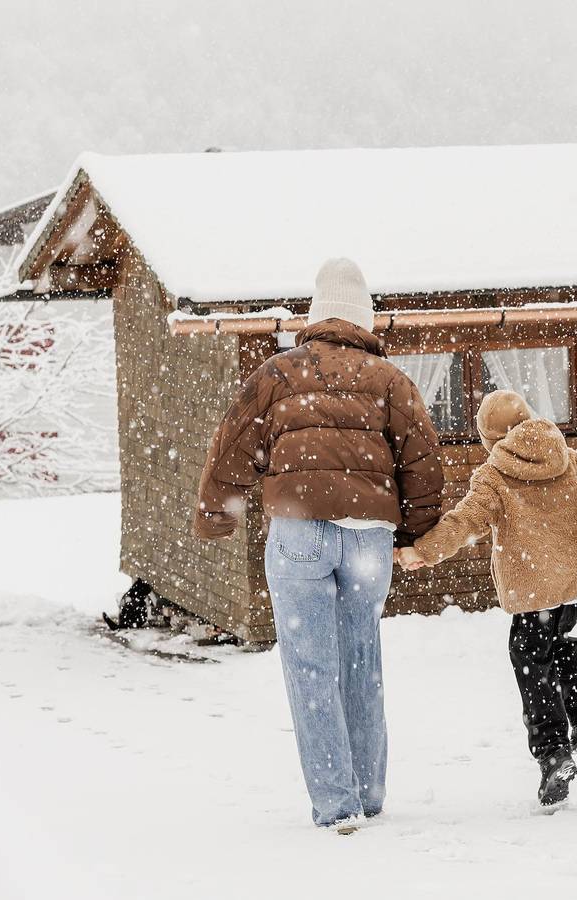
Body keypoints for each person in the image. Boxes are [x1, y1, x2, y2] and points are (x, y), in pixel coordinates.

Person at [193, 257, 443, 834]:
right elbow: (422, 464)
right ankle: (370, 793)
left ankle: (336, 805)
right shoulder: (391, 382)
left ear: (314, 315)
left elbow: (232, 445)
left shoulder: (278, 375)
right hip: (368, 539)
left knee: (311, 667)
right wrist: (416, 532)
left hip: (300, 530)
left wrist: (215, 514)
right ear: (365, 320)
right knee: (362, 662)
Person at [396, 390, 577, 810]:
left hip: (532, 592)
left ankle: (553, 752)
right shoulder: (569, 458)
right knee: (562, 644)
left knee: (530, 660)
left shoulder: (495, 476)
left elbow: (465, 521)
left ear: (492, 439)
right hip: (571, 586)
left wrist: (422, 549)